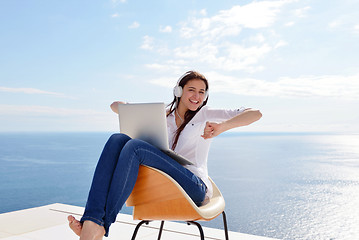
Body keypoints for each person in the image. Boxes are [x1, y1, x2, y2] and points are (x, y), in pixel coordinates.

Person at [68, 71, 262, 240]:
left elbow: (255, 113)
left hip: (195, 187)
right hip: (166, 183)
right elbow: (114, 106)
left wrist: (222, 127)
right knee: (117, 139)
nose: (197, 96)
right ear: (179, 91)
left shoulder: (206, 114)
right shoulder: (164, 116)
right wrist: (131, 109)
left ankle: (102, 224)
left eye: (202, 92)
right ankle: (92, 221)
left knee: (135, 147)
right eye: (191, 90)